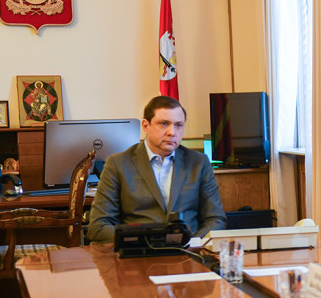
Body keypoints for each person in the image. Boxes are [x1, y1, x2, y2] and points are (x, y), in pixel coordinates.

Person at [87, 95, 226, 243]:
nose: (172, 132)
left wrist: (193, 243)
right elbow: (98, 226)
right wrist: (143, 242)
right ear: (145, 126)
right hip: (137, 252)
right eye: (164, 124)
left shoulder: (198, 162)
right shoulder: (118, 164)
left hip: (188, 251)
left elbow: (216, 219)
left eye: (178, 125)